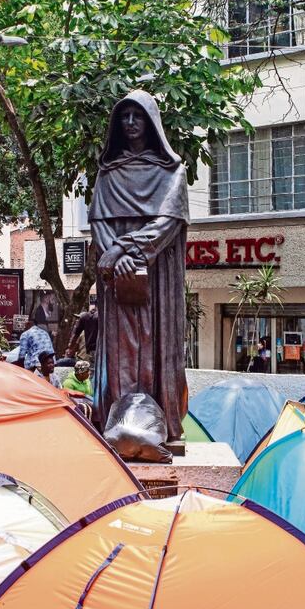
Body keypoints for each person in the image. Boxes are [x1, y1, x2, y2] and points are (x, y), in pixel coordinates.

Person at [90, 90, 189, 440]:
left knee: (154, 343)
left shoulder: (172, 171)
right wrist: (115, 259)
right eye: (124, 117)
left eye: (138, 116)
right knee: (121, 350)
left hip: (156, 275)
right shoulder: (107, 173)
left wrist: (122, 251)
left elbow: (167, 223)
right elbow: (99, 221)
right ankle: (120, 421)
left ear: (151, 122)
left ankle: (156, 422)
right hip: (117, 279)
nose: (131, 123)